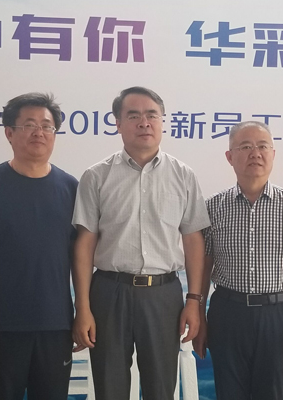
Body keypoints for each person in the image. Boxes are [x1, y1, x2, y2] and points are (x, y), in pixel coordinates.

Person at [71, 86, 209, 400]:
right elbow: (84, 244)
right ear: (118, 123)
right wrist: (83, 307)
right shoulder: (97, 176)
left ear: (162, 121)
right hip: (109, 293)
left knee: (160, 388)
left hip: (163, 295)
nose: (144, 123)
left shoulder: (183, 175)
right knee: (109, 388)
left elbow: (193, 240)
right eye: (133, 116)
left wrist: (194, 300)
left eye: (151, 115)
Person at [0, 92, 78, 400]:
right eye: (29, 125)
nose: (39, 132)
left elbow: (79, 259)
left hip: (55, 327)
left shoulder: (71, 189)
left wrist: (82, 314)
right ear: (9, 133)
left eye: (47, 126)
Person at [193, 121, 283, 400]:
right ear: (230, 157)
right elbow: (204, 266)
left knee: (271, 393)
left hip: (277, 316)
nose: (256, 153)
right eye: (246, 147)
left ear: (273, 154)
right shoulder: (213, 206)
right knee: (229, 393)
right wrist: (199, 316)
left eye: (263, 146)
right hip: (227, 313)